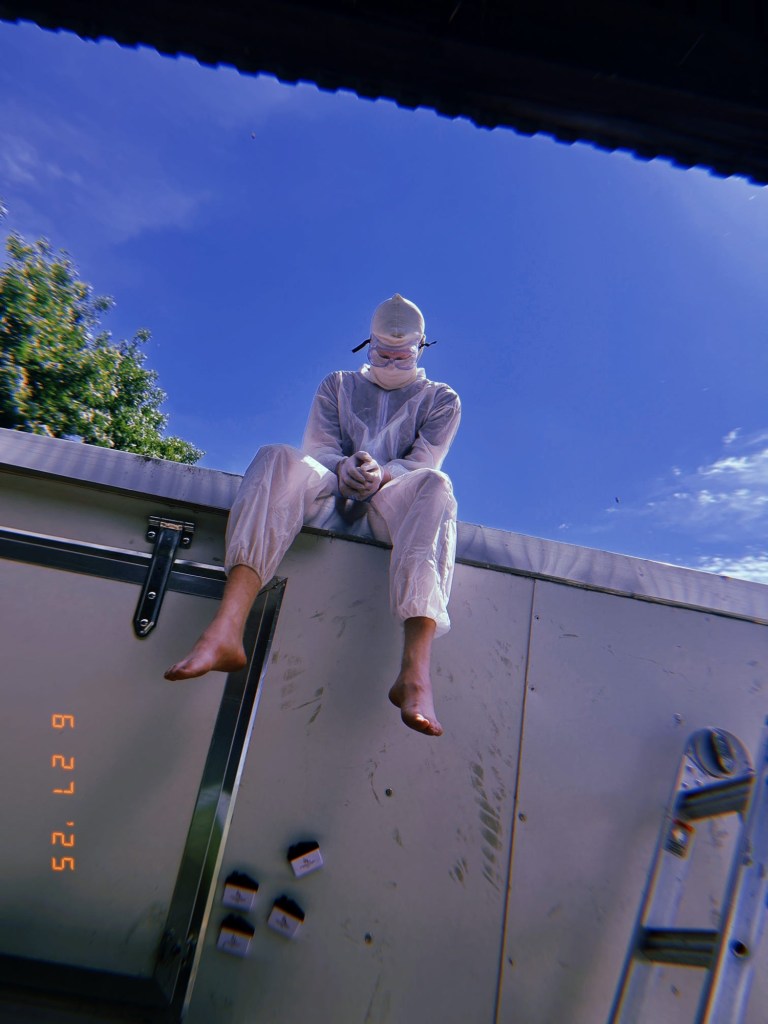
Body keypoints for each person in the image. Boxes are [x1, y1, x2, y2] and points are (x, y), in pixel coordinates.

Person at [166, 294, 461, 737]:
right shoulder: (337, 385)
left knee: (437, 486)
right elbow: (318, 448)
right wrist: (342, 466)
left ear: (421, 348)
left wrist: (382, 473)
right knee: (276, 457)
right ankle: (226, 629)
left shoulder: (441, 398)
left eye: (401, 356)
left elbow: (423, 463)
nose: (390, 362)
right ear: (368, 345)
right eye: (382, 353)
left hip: (395, 505)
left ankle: (414, 674)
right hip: (328, 492)